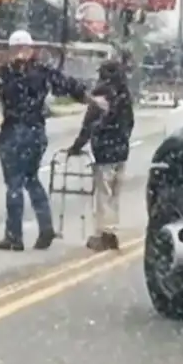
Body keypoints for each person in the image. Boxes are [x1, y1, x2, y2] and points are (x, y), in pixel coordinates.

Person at [0, 30, 109, 252]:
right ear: (31, 49)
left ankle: (14, 236)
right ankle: (46, 227)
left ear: (11, 50)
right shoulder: (41, 72)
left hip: (13, 130)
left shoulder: (3, 75)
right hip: (37, 131)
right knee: (31, 179)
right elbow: (70, 86)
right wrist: (92, 101)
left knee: (14, 183)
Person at [66, 57, 135, 251]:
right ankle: (112, 231)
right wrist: (122, 138)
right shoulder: (125, 96)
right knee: (114, 194)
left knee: (103, 194)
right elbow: (129, 123)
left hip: (104, 151)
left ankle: (103, 235)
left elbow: (88, 125)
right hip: (121, 151)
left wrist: (77, 147)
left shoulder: (101, 96)